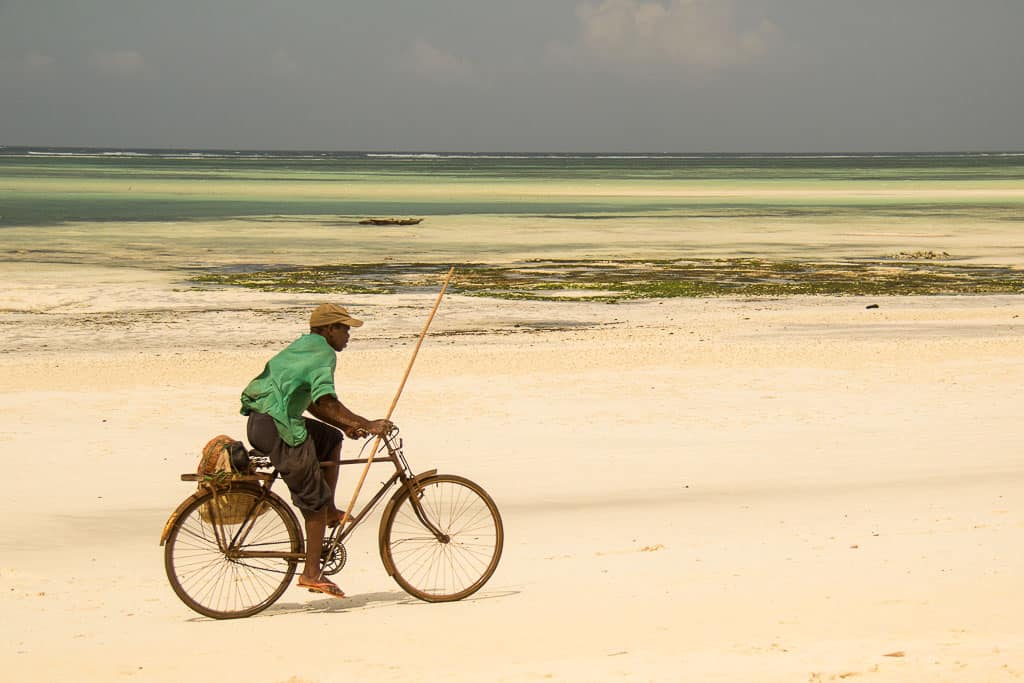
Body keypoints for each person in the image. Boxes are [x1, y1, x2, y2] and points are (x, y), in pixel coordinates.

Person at [240, 303, 392, 598]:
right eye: (345, 329)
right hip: (277, 426)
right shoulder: (322, 353)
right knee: (314, 500)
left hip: (264, 422)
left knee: (330, 438)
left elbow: (309, 402)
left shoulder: (304, 347)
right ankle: (311, 573)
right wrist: (366, 423)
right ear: (329, 330)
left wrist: (347, 426)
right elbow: (326, 402)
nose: (348, 335)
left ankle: (331, 511)